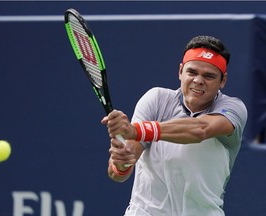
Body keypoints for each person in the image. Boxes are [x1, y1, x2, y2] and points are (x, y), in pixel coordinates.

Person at [101, 35, 247, 216]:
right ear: (180, 71)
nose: (198, 80)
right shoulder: (156, 99)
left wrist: (136, 130)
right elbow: (121, 170)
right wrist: (121, 163)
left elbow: (200, 129)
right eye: (192, 72)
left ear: (223, 80)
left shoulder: (233, 109)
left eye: (208, 76)